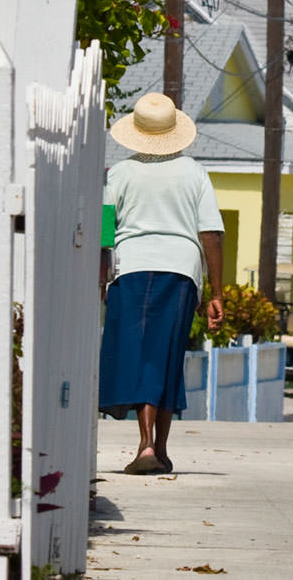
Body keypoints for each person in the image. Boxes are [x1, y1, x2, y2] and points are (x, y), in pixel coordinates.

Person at [98, 92, 225, 475]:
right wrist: (217, 292)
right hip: (181, 271)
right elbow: (211, 234)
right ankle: (161, 448)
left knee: (139, 352)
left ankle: (146, 445)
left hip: (132, 267)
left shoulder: (119, 174)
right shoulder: (194, 172)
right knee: (168, 353)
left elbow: (105, 232)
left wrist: (98, 278)